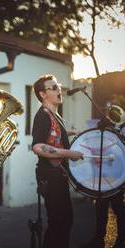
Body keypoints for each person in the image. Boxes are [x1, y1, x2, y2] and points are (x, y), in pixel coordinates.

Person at [31, 74, 83, 248]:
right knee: (60, 223)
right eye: (53, 87)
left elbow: (50, 137)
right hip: (50, 177)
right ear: (43, 94)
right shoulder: (43, 116)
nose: (59, 89)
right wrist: (69, 153)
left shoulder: (53, 114)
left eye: (58, 86)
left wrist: (67, 133)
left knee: (63, 222)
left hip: (57, 176)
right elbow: (38, 146)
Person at [81, 121, 125, 248]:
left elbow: (120, 159)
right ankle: (99, 239)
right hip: (102, 181)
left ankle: (121, 239)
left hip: (115, 180)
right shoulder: (99, 140)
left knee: (119, 210)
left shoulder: (117, 138)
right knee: (100, 210)